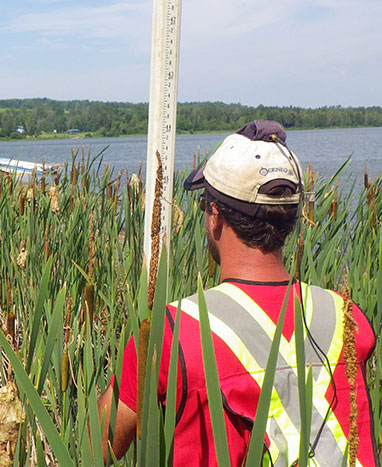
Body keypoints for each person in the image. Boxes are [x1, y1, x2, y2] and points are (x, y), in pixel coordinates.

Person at [97, 120, 378, 466]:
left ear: (214, 215)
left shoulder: (169, 332)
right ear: (291, 218)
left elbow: (99, 447)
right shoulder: (348, 316)